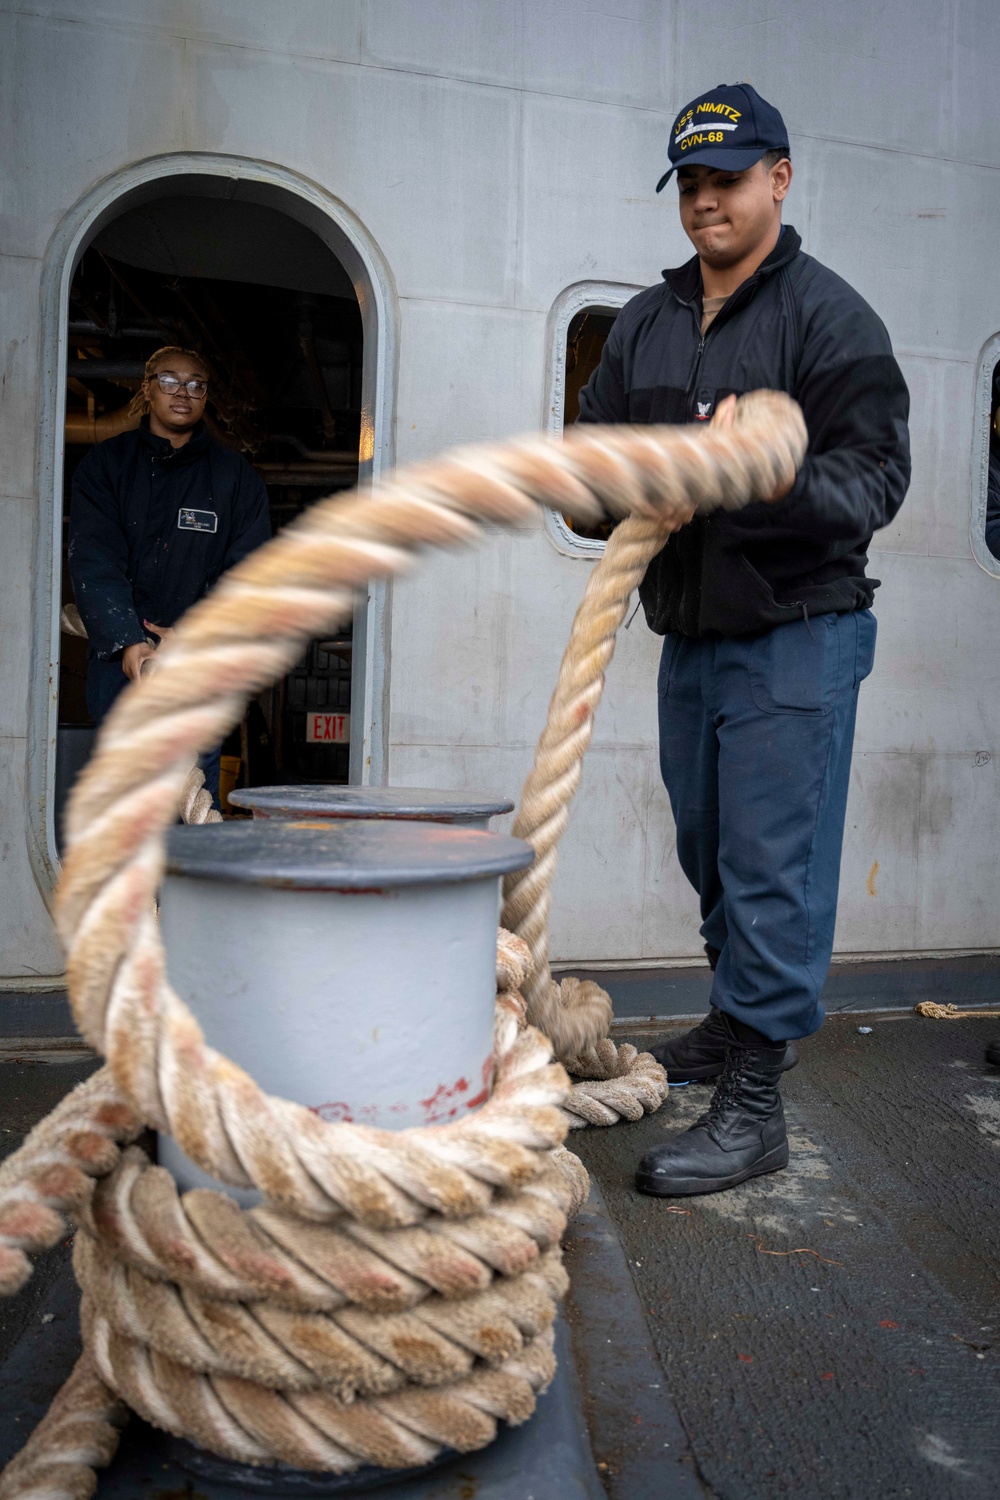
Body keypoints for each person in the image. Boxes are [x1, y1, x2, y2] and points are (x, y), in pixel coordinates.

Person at [578, 83, 910, 1197]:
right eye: (691, 182)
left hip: (795, 637)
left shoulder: (829, 319)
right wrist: (607, 485)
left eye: (728, 177)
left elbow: (876, 481)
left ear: (779, 176)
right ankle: (733, 1023)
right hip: (693, 637)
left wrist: (757, 472)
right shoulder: (647, 321)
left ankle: (755, 1103)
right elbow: (588, 466)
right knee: (708, 855)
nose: (707, 200)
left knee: (770, 872)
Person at [69, 346, 271, 800]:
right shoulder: (106, 468)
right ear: (147, 388)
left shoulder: (235, 479)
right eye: (169, 380)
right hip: (123, 661)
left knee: (193, 788)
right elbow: (94, 557)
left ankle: (185, 870)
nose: (183, 392)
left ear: (206, 396)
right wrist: (127, 640)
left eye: (196, 384)